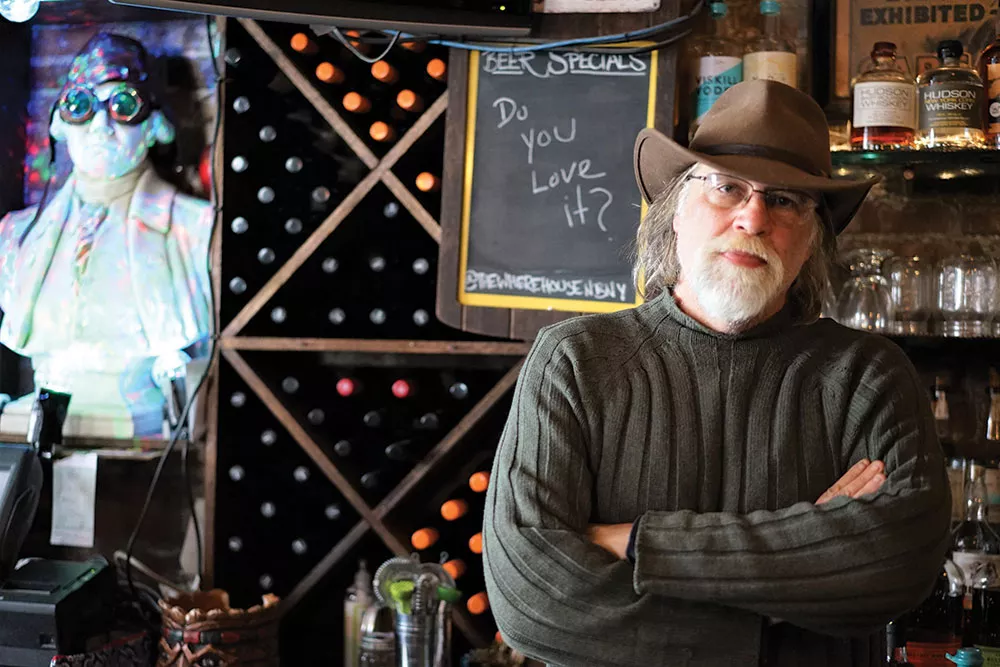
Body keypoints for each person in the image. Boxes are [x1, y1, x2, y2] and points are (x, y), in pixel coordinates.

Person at [482, 80, 951, 666]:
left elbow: (899, 562)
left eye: (786, 200)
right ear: (674, 212)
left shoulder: (867, 374)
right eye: (726, 187)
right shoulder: (574, 360)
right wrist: (795, 578)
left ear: (811, 241)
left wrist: (639, 543)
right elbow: (531, 597)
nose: (752, 217)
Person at [0, 33, 212, 439]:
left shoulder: (195, 230)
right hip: (38, 417)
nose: (101, 126)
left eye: (123, 107)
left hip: (142, 419)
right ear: (60, 124)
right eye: (81, 106)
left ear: (155, 127)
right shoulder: (15, 236)